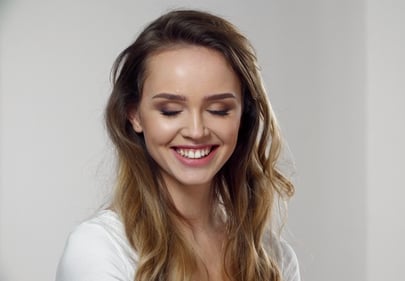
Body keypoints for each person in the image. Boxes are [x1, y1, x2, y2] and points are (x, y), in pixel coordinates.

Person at [56, 9, 300, 281]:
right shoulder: (98, 251)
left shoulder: (274, 259)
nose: (196, 131)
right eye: (171, 110)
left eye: (219, 110)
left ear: (244, 116)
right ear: (134, 114)